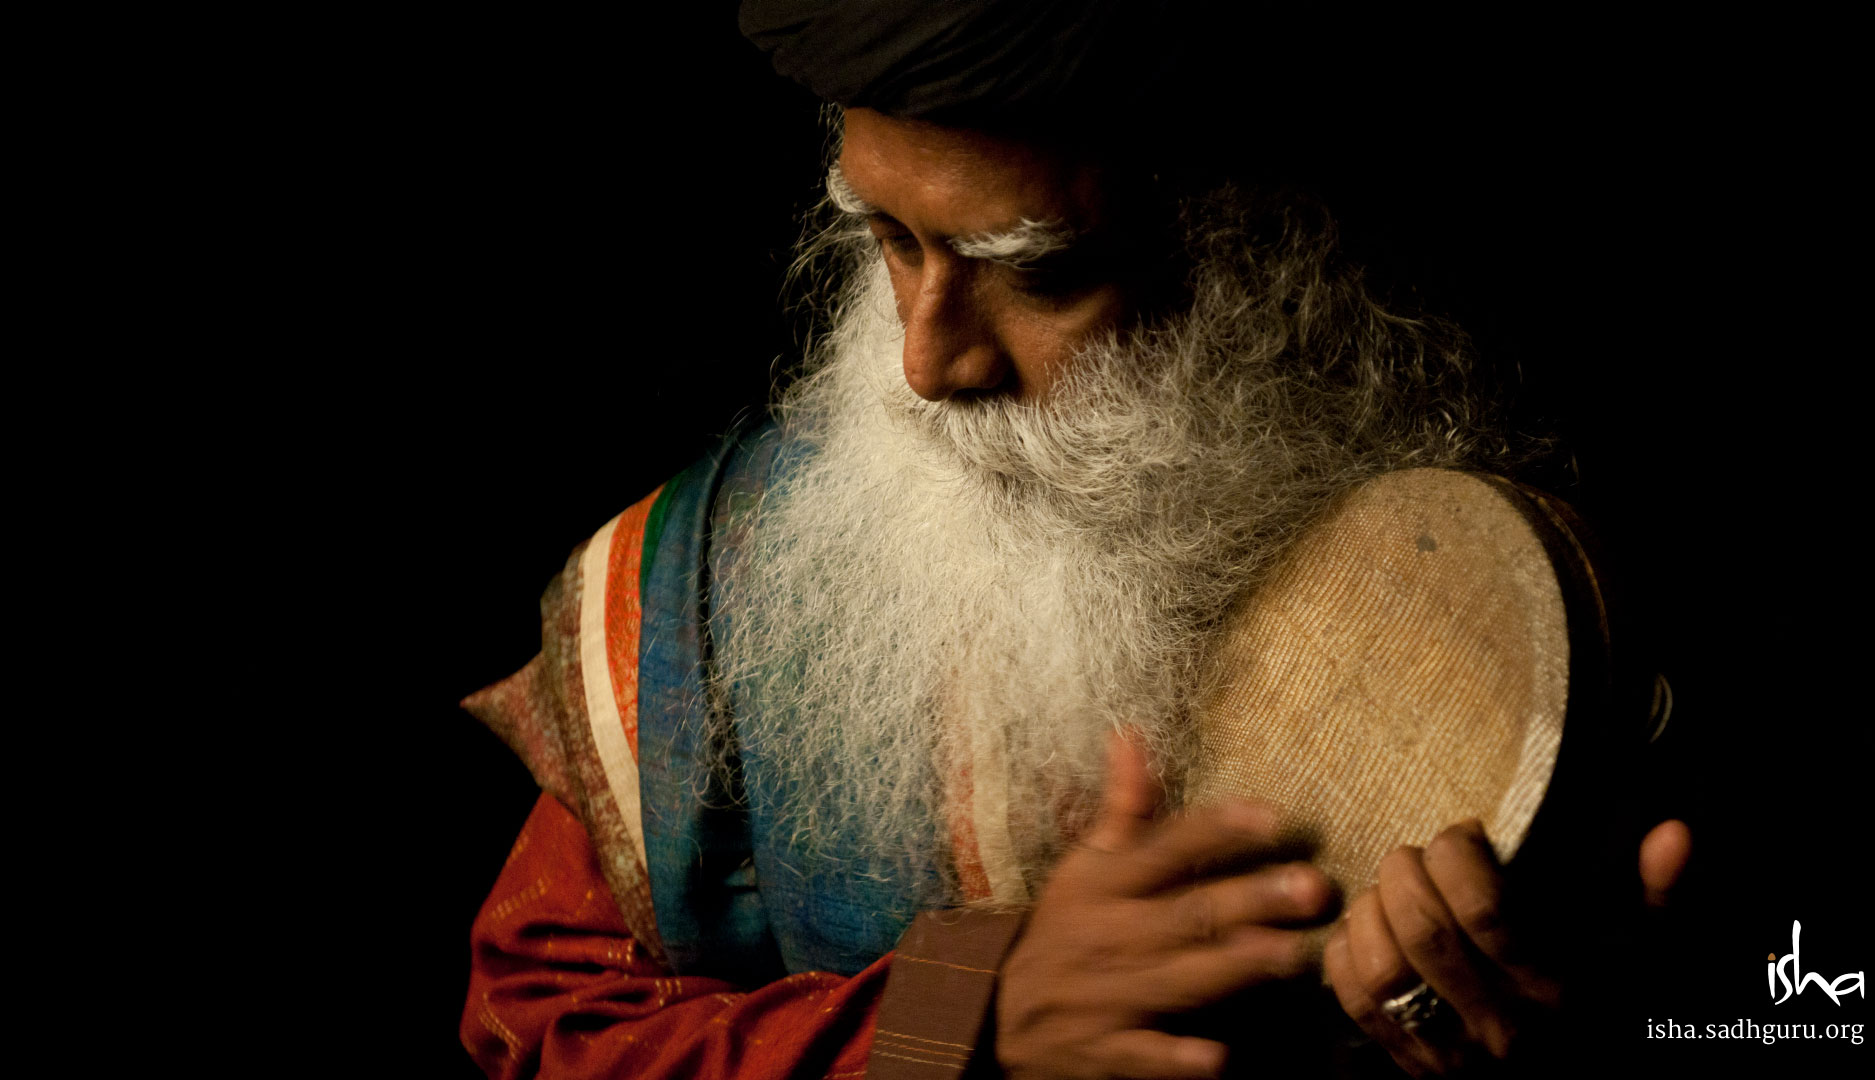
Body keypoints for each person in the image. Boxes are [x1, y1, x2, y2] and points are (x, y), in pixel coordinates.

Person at [460, 5, 1692, 1077]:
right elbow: (537, 1032)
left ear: (1258, 264)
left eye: (1039, 277)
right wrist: (963, 1022)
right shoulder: (712, 590)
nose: (929, 362)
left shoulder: (1526, 602)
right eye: (892, 241)